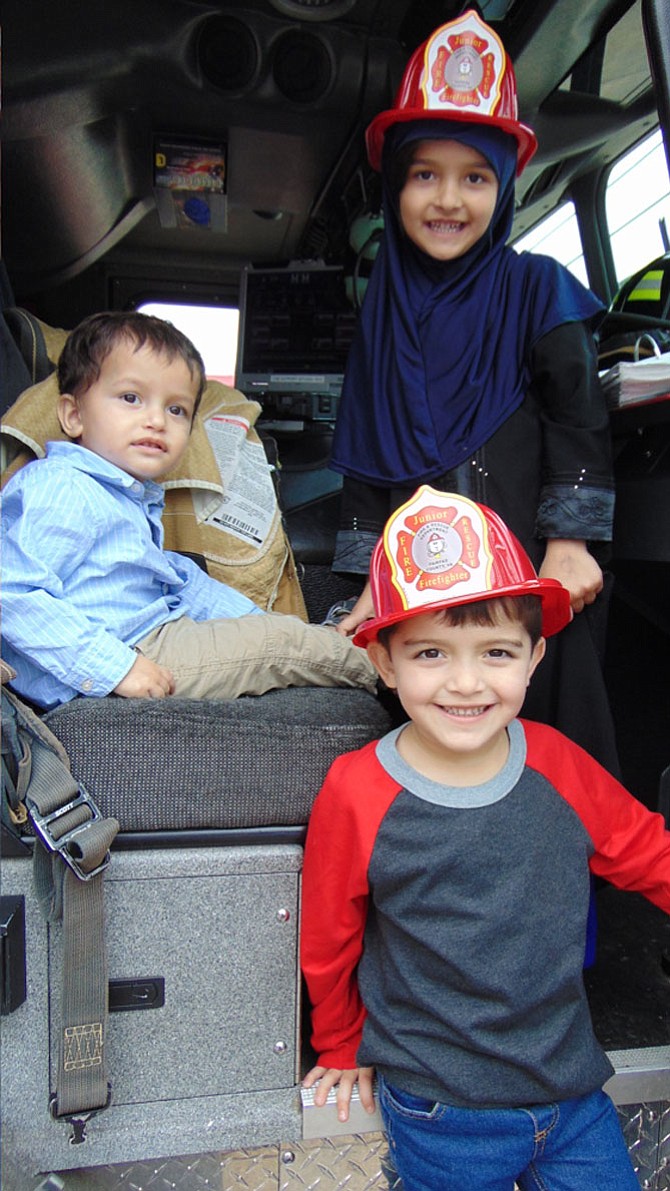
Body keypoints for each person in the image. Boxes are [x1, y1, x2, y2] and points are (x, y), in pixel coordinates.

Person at [301, 486, 670, 1191]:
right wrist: (341, 1044)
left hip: (571, 1094)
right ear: (385, 662)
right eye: (431, 652)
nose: (466, 683)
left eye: (496, 651)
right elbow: (329, 935)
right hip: (440, 1110)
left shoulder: (560, 763)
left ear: (534, 658)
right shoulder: (357, 791)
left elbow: (649, 851)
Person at [329, 9, 618, 772]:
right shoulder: (380, 314)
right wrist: (364, 587)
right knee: (434, 751)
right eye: (425, 174)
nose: (448, 199)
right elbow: (366, 462)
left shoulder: (536, 288)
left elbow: (577, 411)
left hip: (532, 573)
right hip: (420, 583)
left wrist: (571, 542)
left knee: (558, 755)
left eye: (475, 177)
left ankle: (578, 886)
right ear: (395, 186)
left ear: (504, 187)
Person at [1, 311, 377, 709]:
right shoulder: (63, 485)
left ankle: (340, 647)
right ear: (73, 415)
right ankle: (388, 670)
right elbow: (12, 591)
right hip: (112, 654)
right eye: (131, 398)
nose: (156, 420)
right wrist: (117, 667)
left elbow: (182, 583)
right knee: (279, 646)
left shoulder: (122, 496)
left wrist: (261, 620)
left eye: (176, 409)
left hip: (143, 635)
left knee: (273, 631)